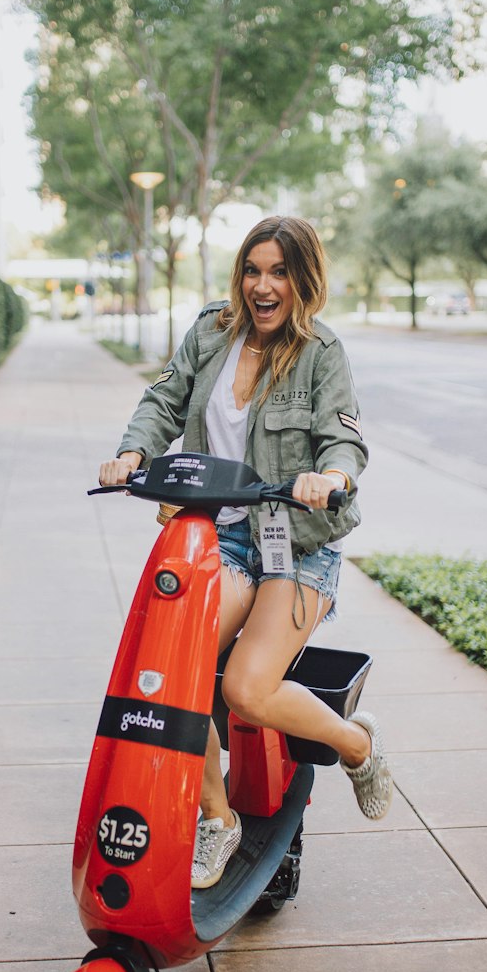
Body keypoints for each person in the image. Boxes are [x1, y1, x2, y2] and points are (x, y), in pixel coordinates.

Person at [98, 215, 392, 889]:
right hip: (220, 539)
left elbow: (345, 441)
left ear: (302, 280)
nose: (264, 285)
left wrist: (332, 478)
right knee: (175, 666)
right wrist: (132, 453)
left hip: (296, 546)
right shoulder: (210, 331)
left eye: (280, 272)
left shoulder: (321, 352)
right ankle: (218, 819)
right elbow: (164, 400)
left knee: (247, 690)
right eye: (254, 269)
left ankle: (357, 745)